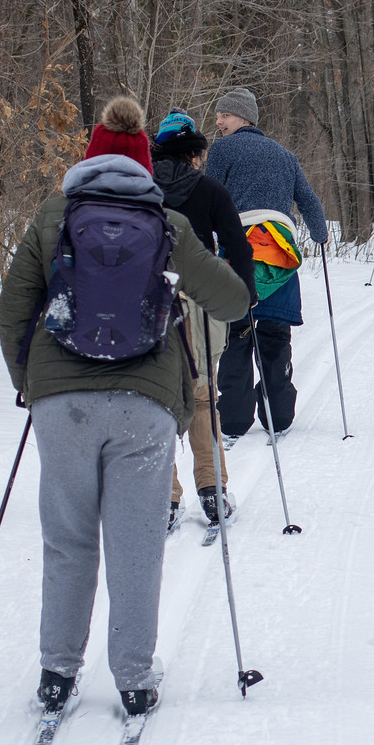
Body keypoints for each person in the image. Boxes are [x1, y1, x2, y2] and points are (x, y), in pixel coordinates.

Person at [0, 96, 252, 723]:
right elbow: (233, 300)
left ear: (88, 159)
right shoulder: (166, 223)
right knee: (136, 543)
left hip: (63, 405)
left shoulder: (53, 216)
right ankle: (135, 680)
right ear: (144, 164)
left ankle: (58, 676)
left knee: (69, 541)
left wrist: (32, 385)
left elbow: (13, 309)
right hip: (144, 403)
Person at [150, 110, 255, 532]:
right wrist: (243, 302)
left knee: (154, 396)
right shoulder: (210, 191)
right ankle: (211, 489)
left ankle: (165, 496)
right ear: (195, 154)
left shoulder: (140, 191)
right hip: (200, 300)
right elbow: (238, 248)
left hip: (149, 301)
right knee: (202, 395)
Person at [204, 87, 329, 443]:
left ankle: (233, 420)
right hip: (279, 258)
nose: (218, 121)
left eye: (224, 115)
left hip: (238, 254)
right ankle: (279, 415)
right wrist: (320, 234)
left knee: (236, 335)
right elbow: (307, 199)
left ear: (243, 117)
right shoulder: (286, 155)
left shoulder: (223, 150)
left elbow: (211, 196)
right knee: (275, 334)